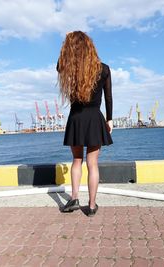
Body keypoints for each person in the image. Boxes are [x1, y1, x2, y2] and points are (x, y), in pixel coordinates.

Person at [57, 31, 113, 217]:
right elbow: (108, 97)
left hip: (76, 119)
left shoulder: (70, 68)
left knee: (77, 160)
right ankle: (91, 205)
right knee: (93, 163)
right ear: (91, 46)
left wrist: (66, 43)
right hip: (95, 119)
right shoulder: (104, 69)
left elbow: (59, 65)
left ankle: (74, 198)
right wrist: (109, 119)